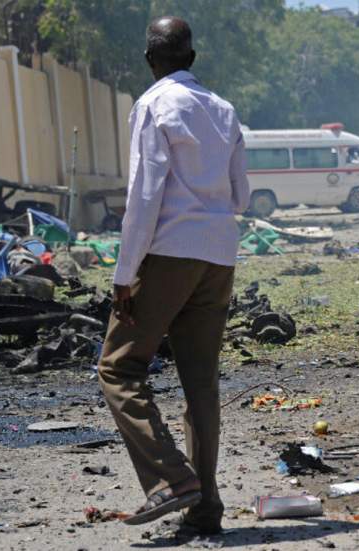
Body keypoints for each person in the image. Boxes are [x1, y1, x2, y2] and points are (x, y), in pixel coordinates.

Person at [96, 16, 249, 531]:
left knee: (118, 367)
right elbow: (242, 195)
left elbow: (143, 197)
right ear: (193, 58)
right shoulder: (224, 110)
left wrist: (124, 273)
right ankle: (205, 506)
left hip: (168, 252)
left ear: (150, 61)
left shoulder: (154, 103)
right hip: (219, 256)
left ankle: (169, 479)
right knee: (200, 383)